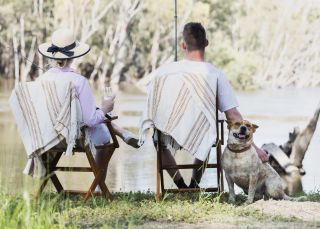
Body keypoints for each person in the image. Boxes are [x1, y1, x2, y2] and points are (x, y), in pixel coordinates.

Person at [141, 22, 269, 189]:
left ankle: (181, 184)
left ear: (183, 45)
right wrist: (256, 148)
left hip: (169, 130)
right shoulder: (214, 74)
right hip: (200, 132)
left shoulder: (164, 72)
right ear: (206, 43)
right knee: (209, 134)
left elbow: (153, 105)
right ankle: (194, 183)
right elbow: (233, 115)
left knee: (158, 139)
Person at [37, 28, 139, 191]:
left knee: (97, 120)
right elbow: (90, 120)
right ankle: (99, 188)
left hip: (47, 138)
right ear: (73, 56)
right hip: (73, 138)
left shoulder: (42, 80)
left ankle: (121, 132)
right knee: (105, 136)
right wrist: (105, 108)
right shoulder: (79, 81)